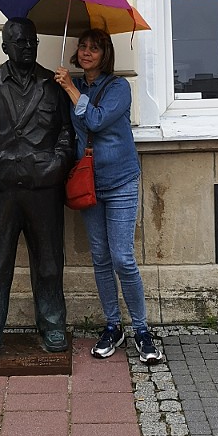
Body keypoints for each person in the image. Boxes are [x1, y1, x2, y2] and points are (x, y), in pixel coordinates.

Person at [0, 17, 74, 364]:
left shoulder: (52, 84)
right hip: (2, 189)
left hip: (43, 188)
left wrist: (56, 164)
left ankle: (53, 325)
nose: (27, 47)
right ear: (5, 47)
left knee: (49, 263)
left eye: (32, 41)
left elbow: (67, 133)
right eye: (20, 42)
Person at [55, 28, 161, 363]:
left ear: (105, 54)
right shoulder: (71, 84)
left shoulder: (118, 88)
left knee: (122, 258)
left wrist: (71, 89)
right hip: (88, 183)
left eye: (95, 49)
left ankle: (142, 330)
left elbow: (97, 121)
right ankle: (113, 326)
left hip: (120, 181)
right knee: (100, 258)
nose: (86, 53)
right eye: (82, 47)